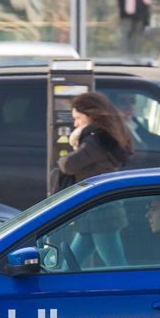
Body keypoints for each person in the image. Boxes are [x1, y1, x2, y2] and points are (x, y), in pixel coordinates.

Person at [57, 91, 135, 266]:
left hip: (101, 213)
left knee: (117, 265)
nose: (75, 123)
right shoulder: (105, 137)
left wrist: (72, 147)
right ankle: (65, 289)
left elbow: (68, 165)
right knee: (70, 264)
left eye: (77, 118)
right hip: (97, 210)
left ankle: (131, 292)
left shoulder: (95, 140)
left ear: (90, 115)